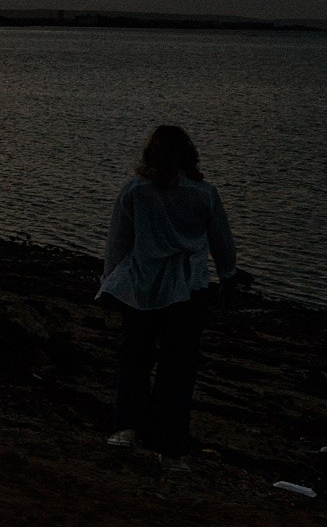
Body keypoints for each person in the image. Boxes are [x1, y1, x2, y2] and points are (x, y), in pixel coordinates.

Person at [99, 124, 249, 455]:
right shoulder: (204, 193)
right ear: (189, 155)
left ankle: (128, 427)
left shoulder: (135, 191)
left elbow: (118, 244)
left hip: (141, 287)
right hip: (189, 289)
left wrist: (108, 285)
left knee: (135, 359)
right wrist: (228, 278)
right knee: (178, 365)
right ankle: (168, 435)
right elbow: (222, 242)